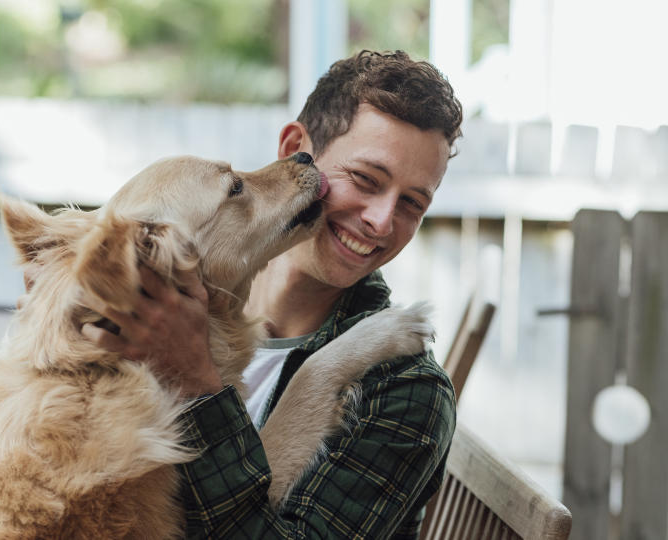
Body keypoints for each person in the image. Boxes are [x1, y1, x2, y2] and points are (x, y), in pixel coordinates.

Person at [78, 50, 463, 538]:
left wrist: (196, 381)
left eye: (412, 203)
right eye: (365, 179)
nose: (381, 220)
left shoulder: (404, 389)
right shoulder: (157, 313)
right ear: (294, 150)